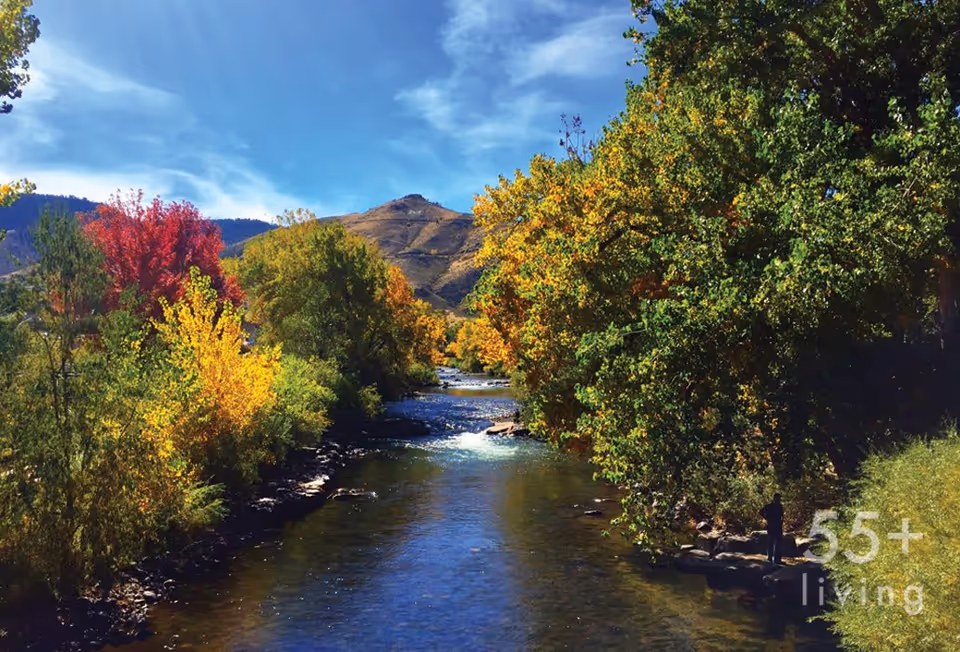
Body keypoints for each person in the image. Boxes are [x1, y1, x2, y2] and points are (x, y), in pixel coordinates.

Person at [760, 493, 784, 564]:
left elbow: (782, 515)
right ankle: (770, 558)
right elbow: (761, 512)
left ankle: (777, 559)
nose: (778, 500)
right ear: (774, 499)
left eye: (779, 499)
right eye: (777, 499)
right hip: (771, 526)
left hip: (778, 526)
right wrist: (767, 518)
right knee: (771, 542)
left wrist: (781, 521)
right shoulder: (769, 506)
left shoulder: (780, 506)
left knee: (778, 542)